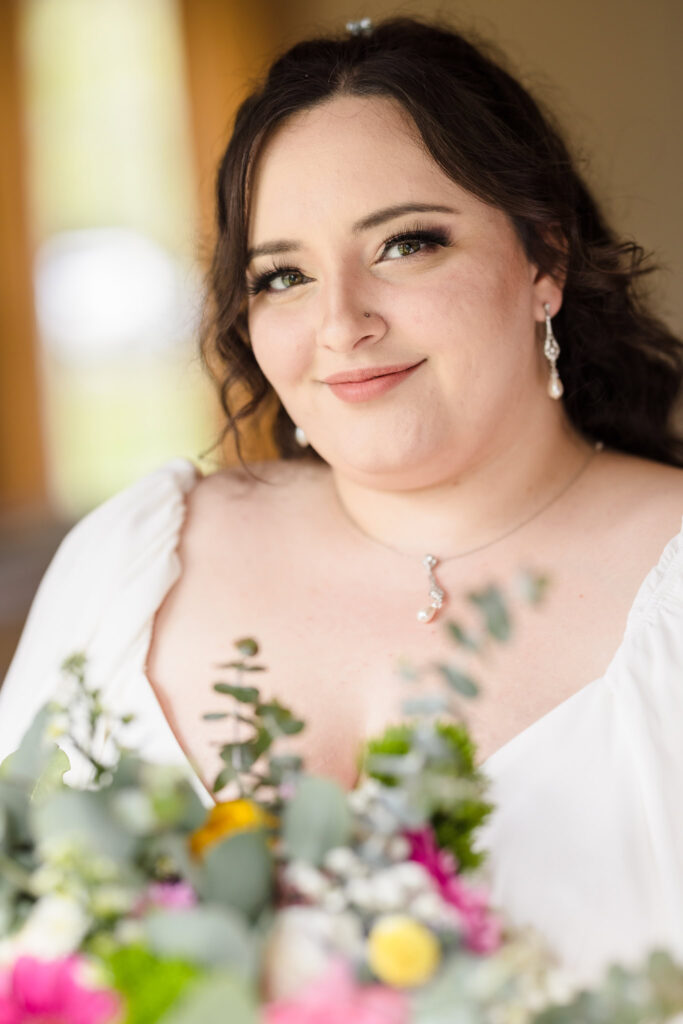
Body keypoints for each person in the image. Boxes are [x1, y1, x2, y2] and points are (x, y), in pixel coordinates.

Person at [1, 15, 682, 987]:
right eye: (282, 275)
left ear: (542, 258)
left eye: (405, 244)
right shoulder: (133, 565)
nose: (340, 323)